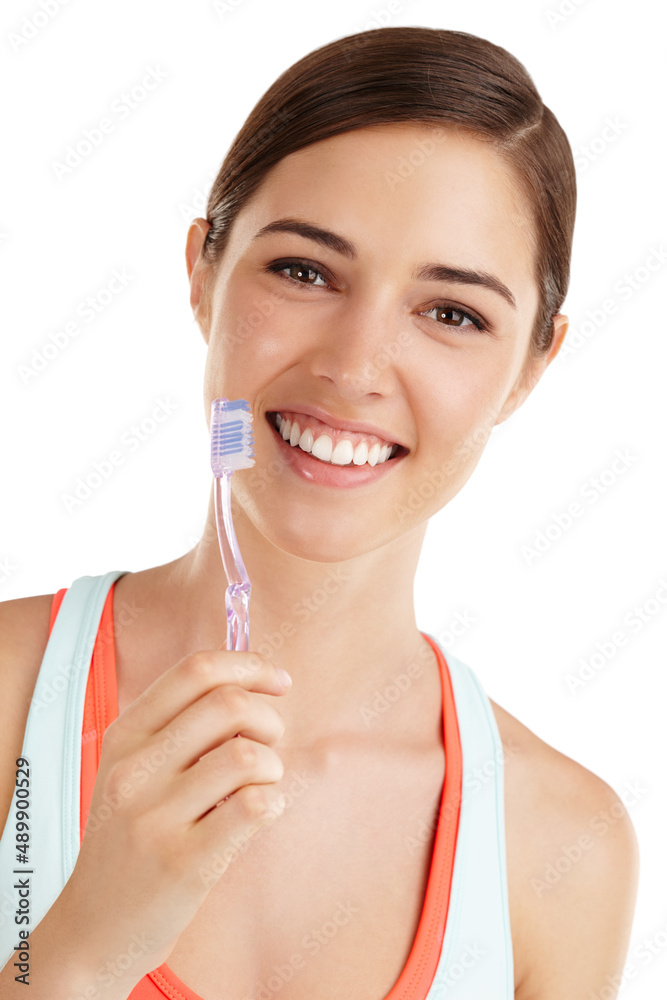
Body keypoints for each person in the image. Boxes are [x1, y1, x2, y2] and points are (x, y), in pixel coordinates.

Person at [0, 25, 638, 1000]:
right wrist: (78, 951)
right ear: (202, 272)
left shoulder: (562, 849)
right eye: (304, 271)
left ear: (532, 367)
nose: (352, 367)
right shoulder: (11, 697)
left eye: (453, 313)